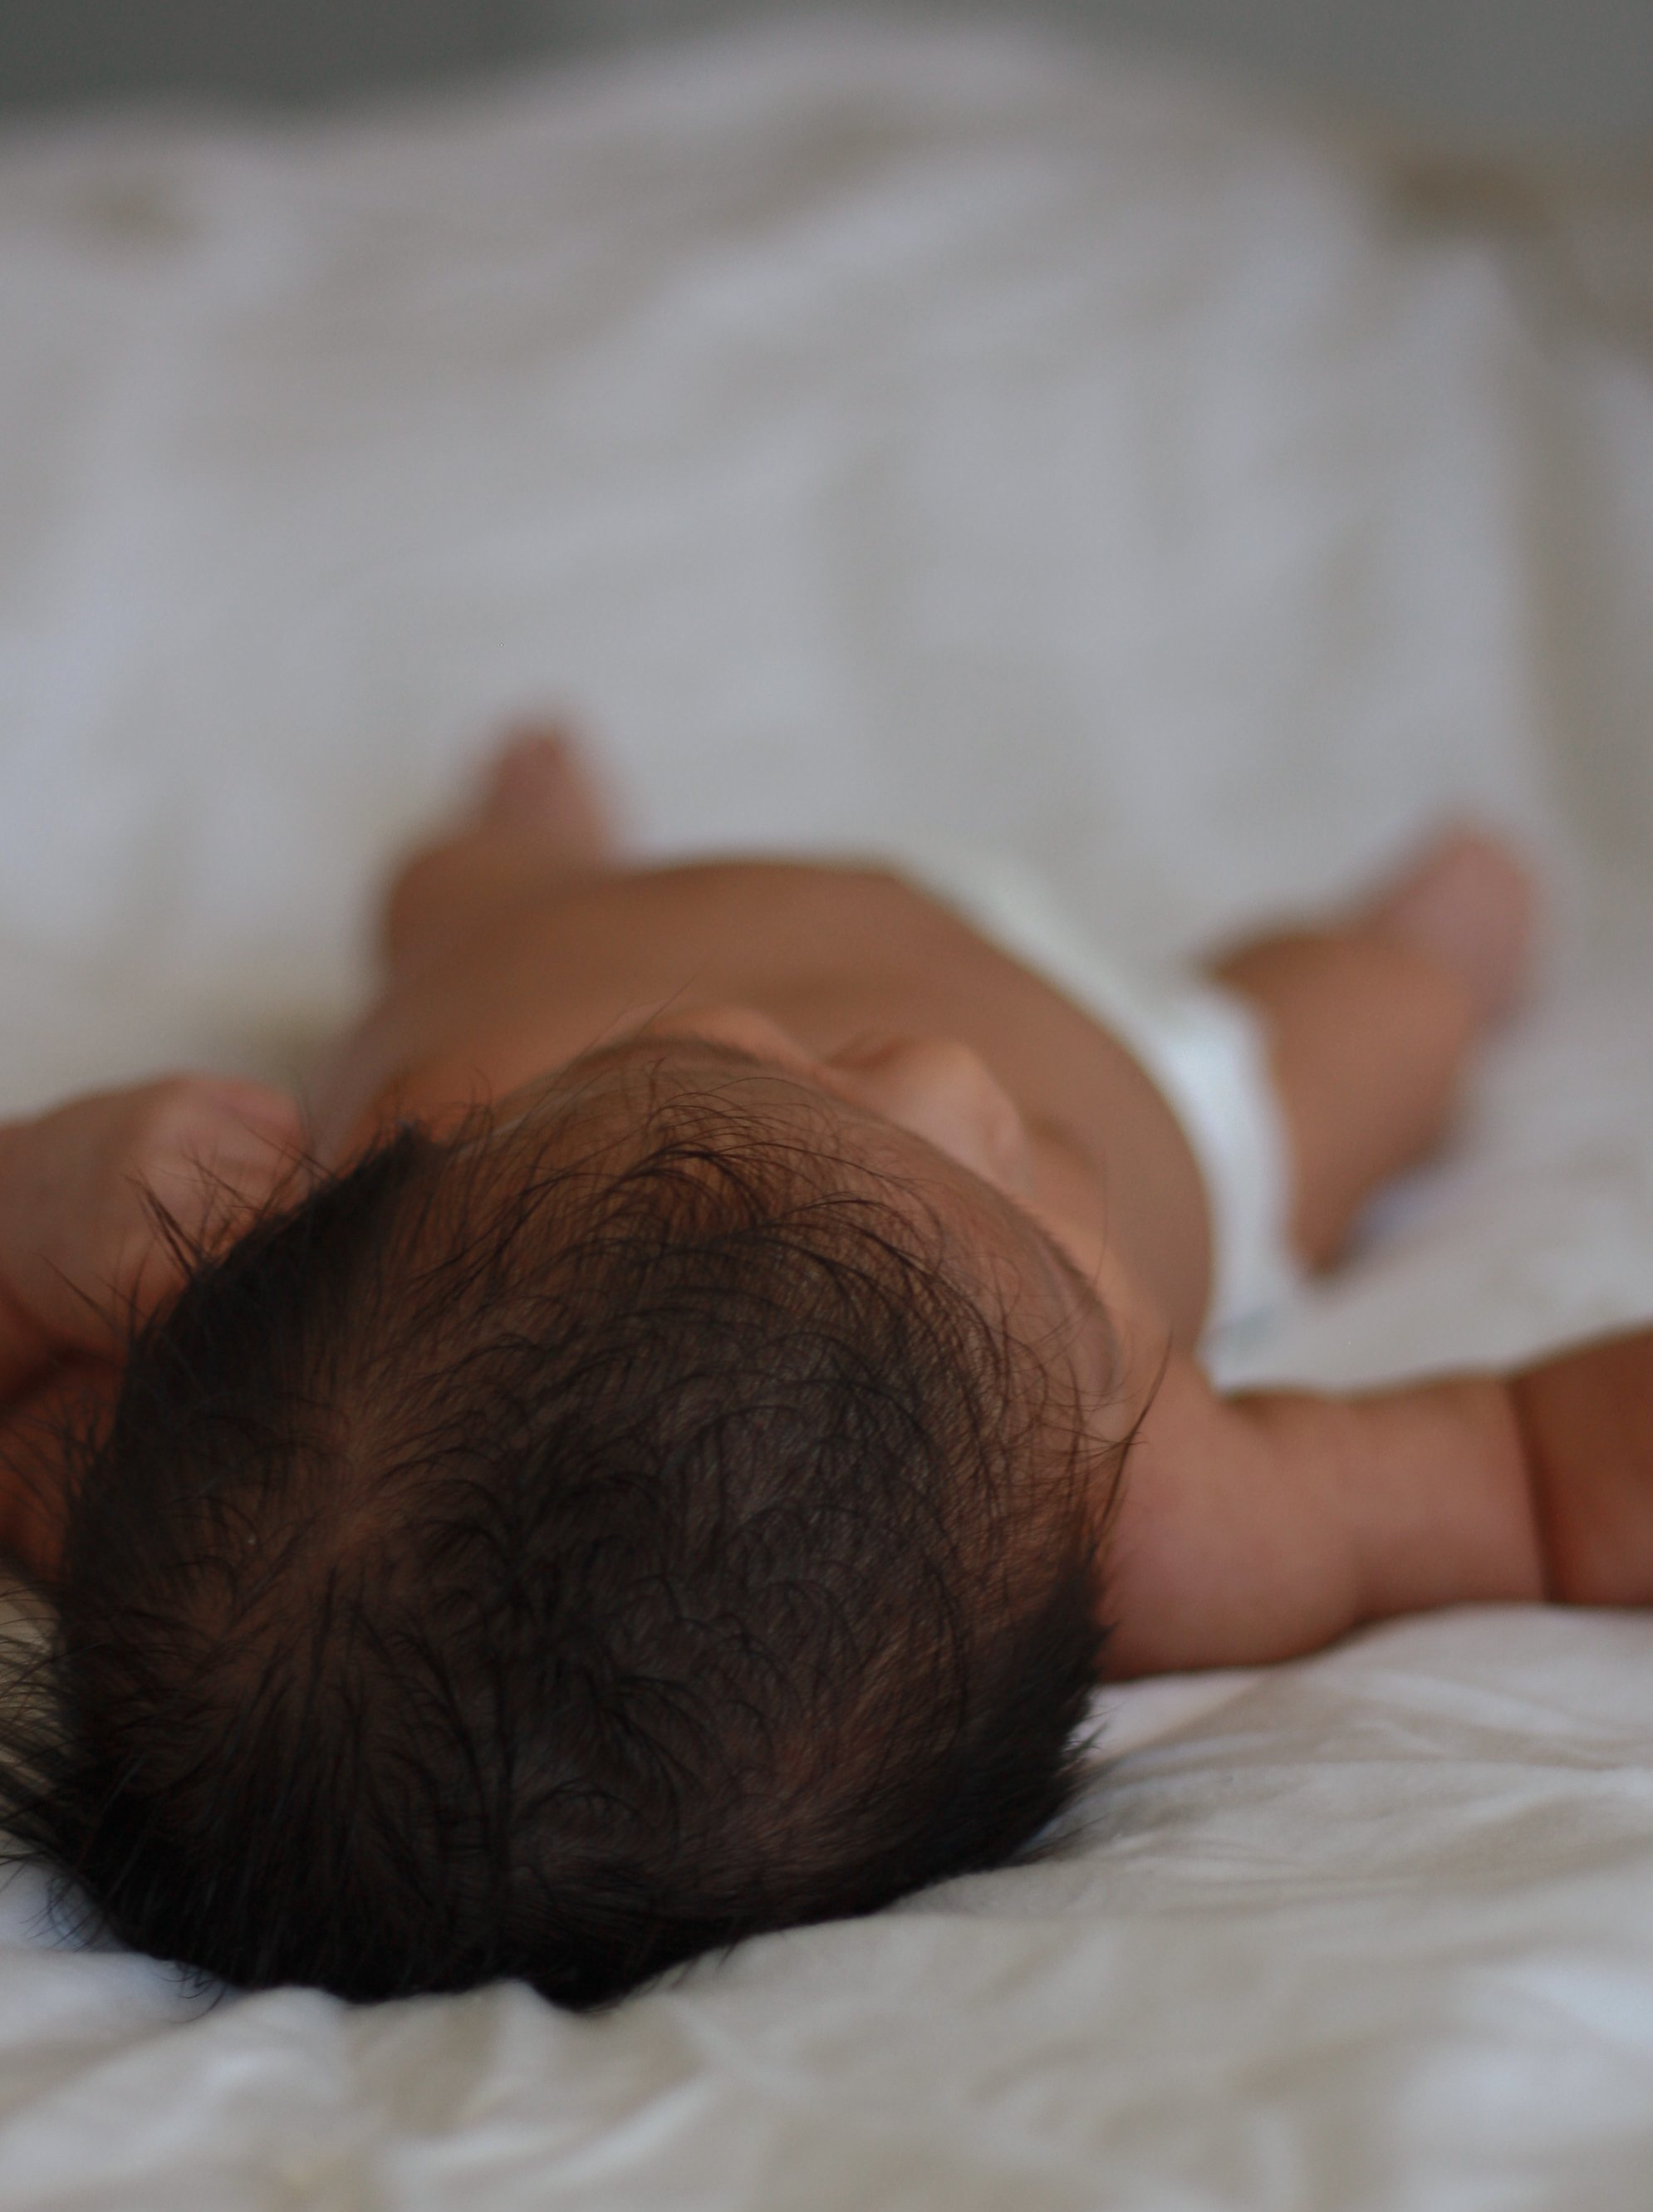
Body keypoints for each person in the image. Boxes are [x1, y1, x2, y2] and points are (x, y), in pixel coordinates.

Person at [0, 729, 1646, 2008]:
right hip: (1140, 1050)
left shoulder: (289, 1444)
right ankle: (1431, 928)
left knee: (443, 894)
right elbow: (1521, 1468)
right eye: (1061, 1287)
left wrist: (52, 1201)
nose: (942, 1074)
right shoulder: (1187, 1521)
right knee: (1367, 1036)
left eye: (705, 1063)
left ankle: (528, 841)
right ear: (1081, 1557)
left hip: (577, 928)